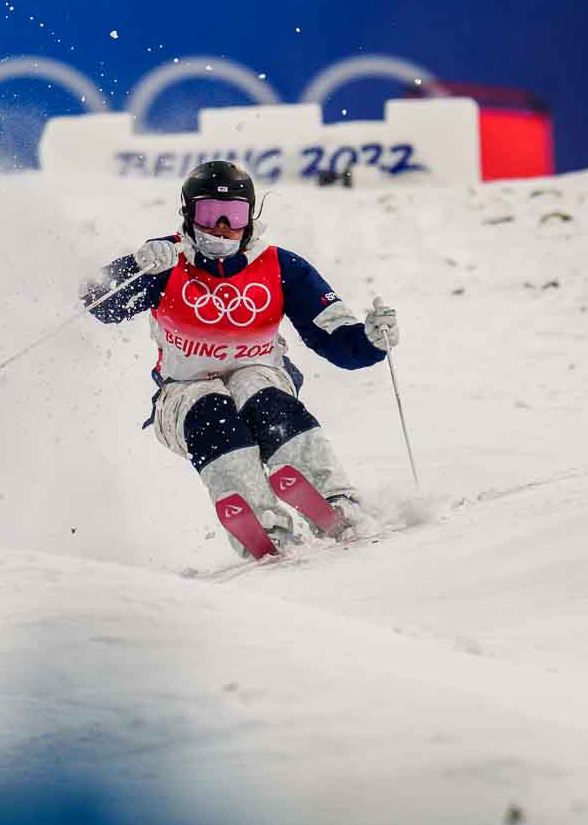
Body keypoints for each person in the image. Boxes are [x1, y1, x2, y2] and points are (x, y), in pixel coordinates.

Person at [84, 159, 401, 558]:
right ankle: (264, 525)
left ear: (250, 218)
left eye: (233, 215)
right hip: (182, 394)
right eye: (208, 214)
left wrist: (370, 341)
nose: (220, 227)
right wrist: (135, 267)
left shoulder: (280, 266)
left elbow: (336, 339)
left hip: (263, 374)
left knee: (258, 392)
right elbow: (96, 304)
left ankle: (337, 501)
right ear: (187, 214)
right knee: (211, 408)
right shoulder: (165, 264)